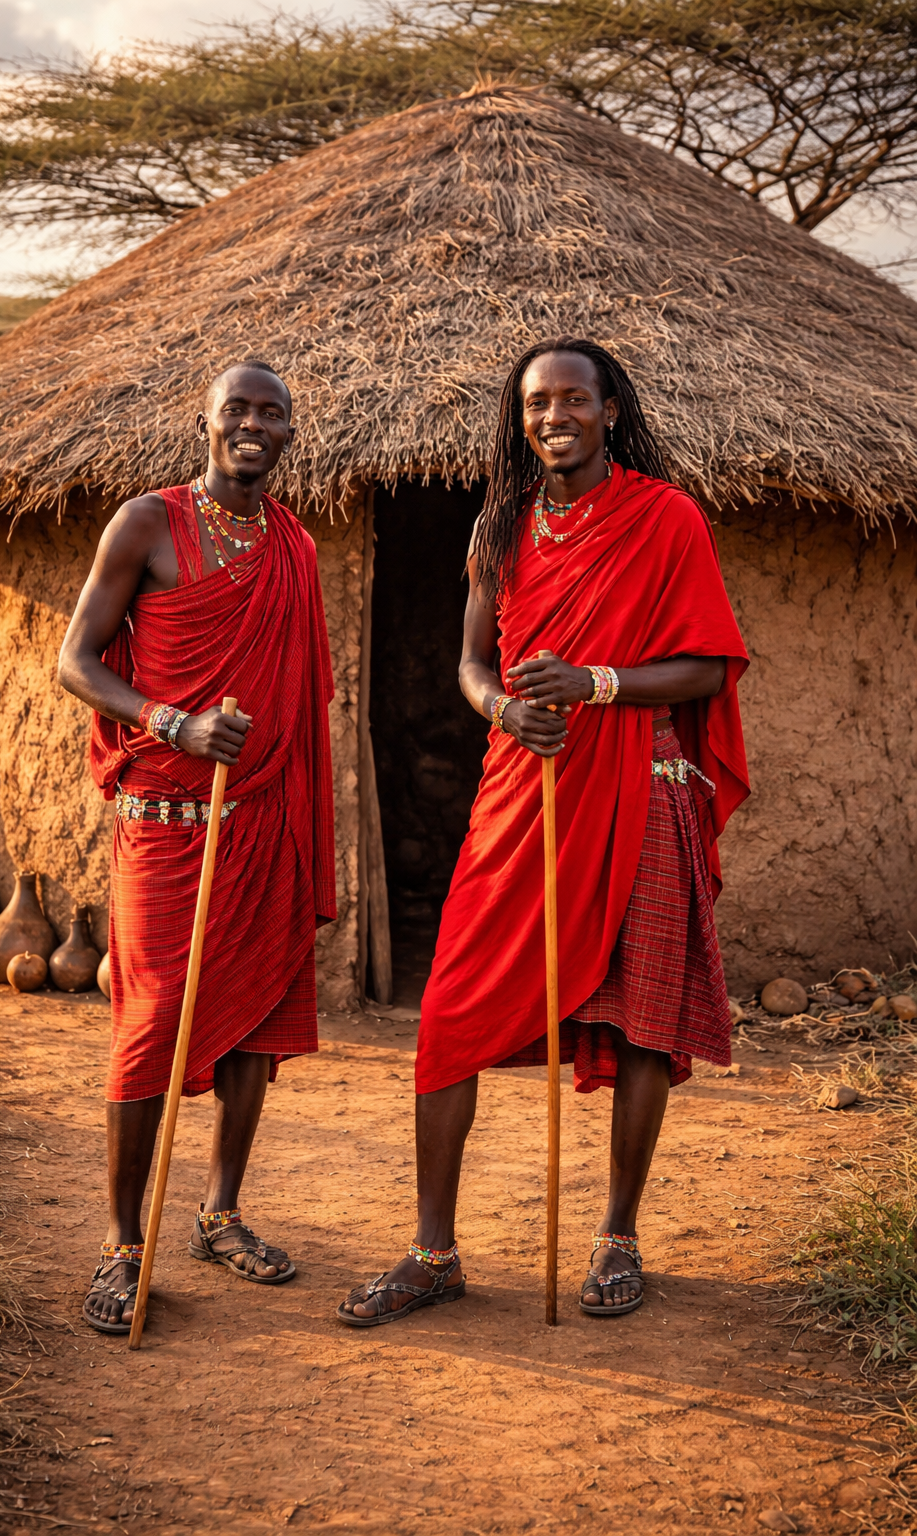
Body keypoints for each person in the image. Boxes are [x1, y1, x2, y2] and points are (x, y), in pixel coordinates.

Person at [338, 336, 749, 1327]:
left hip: (639, 786)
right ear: (518, 418)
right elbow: (474, 664)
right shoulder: (500, 527)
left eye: (573, 398)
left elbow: (707, 662)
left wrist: (596, 685)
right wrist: (501, 710)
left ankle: (617, 1235)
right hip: (525, 786)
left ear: (612, 411)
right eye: (535, 403)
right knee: (447, 1013)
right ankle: (433, 1252)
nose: (552, 415)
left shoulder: (665, 519)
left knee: (637, 1015)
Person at [58, 360, 336, 1334]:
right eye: (237, 410)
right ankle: (124, 1245)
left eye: (272, 413)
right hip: (166, 829)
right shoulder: (147, 523)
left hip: (260, 824)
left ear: (291, 433)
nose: (253, 425)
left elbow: (303, 701)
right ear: (208, 422)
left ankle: (220, 1213)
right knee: (148, 1033)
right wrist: (171, 724)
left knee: (255, 1024)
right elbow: (76, 661)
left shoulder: (294, 547)